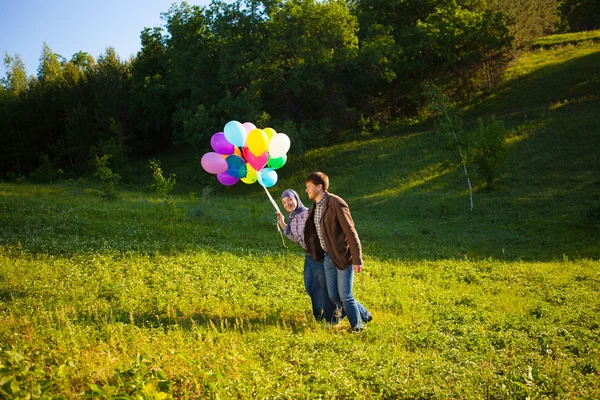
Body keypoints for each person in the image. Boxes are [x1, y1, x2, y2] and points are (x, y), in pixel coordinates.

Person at [303, 172, 372, 331]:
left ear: (319, 187)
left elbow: (350, 231)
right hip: (328, 257)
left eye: (308, 187)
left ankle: (358, 327)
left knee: (345, 296)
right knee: (334, 296)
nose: (306, 190)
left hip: (342, 257)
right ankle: (364, 313)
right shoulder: (317, 205)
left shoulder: (336, 203)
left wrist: (357, 259)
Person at [276, 189, 337, 323]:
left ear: (296, 199)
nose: (287, 204)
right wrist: (282, 223)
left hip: (320, 255)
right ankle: (324, 316)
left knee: (323, 288)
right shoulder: (293, 217)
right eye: (284, 202)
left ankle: (330, 318)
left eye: (290, 199)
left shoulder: (308, 213)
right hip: (309, 257)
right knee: (310, 287)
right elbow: (295, 237)